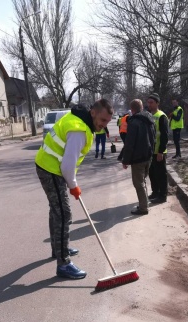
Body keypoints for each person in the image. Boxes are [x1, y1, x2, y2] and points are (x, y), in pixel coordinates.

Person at [35, 99, 113, 280]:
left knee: (57, 210)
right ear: (93, 112)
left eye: (107, 122)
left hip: (49, 166)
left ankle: (58, 247)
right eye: (102, 120)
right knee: (63, 214)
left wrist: (70, 183)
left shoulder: (78, 118)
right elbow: (67, 167)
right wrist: (74, 186)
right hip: (51, 170)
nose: (103, 125)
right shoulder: (79, 129)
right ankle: (63, 263)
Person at [121, 99, 156, 216]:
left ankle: (143, 207)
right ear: (142, 107)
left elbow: (129, 143)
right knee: (143, 181)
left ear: (132, 109)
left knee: (138, 183)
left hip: (138, 158)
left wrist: (125, 160)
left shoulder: (134, 122)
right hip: (148, 155)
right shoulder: (149, 119)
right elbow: (153, 137)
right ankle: (144, 203)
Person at [146, 93, 169, 204]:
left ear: (157, 103)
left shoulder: (161, 116)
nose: (149, 104)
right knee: (152, 173)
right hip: (151, 151)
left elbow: (164, 135)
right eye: (148, 102)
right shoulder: (150, 115)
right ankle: (155, 192)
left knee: (161, 174)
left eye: (151, 102)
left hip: (159, 151)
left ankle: (162, 195)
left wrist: (161, 151)